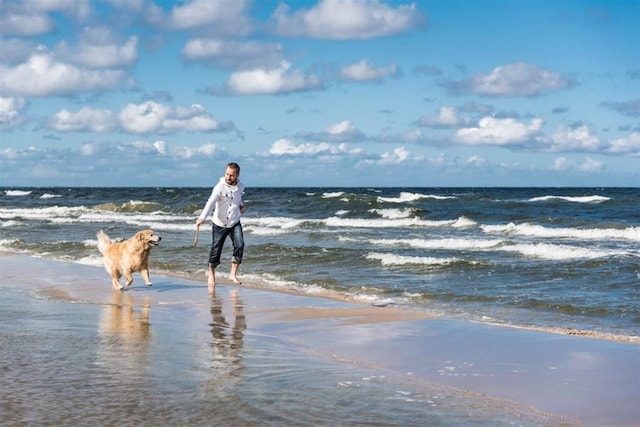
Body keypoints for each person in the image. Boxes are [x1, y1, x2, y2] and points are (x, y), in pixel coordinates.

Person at [196, 162, 246, 292]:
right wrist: (202, 218)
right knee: (216, 249)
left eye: (232, 175)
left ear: (237, 175)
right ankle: (211, 274)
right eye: (227, 174)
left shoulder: (240, 186)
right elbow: (210, 203)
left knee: (240, 244)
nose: (229, 177)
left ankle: (233, 274)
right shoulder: (219, 187)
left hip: (234, 221)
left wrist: (241, 205)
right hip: (219, 223)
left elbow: (238, 198)